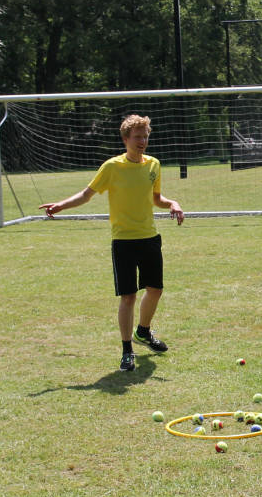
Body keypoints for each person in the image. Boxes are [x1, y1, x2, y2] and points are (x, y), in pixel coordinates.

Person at [39, 115, 184, 372]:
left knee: (155, 290)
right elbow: (87, 194)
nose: (143, 141)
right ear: (125, 139)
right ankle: (127, 350)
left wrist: (172, 203)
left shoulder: (153, 165)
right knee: (128, 296)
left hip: (149, 237)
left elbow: (156, 198)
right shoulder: (111, 167)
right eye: (138, 137)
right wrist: (61, 205)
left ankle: (143, 332)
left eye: (146, 136)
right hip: (123, 242)